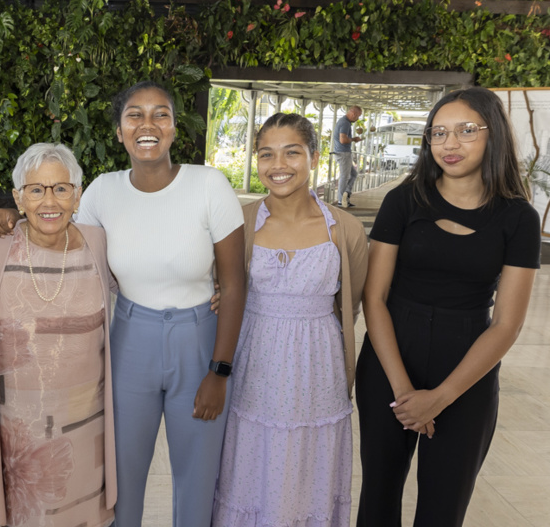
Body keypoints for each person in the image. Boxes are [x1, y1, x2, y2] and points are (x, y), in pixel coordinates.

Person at [0, 81, 246, 527]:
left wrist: (219, 372)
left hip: (198, 339)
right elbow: (57, 229)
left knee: (197, 477)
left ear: (173, 127)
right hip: (129, 340)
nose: (148, 124)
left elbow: (235, 283)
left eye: (160, 114)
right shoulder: (103, 192)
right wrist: (12, 217)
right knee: (122, 479)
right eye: (134, 115)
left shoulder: (209, 185)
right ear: (120, 130)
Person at [355, 87, 540, 527]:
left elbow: (507, 325)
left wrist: (439, 398)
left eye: (465, 131)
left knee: (444, 507)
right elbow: (374, 298)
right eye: (438, 133)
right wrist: (404, 393)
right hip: (389, 358)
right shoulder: (403, 200)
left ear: (492, 133)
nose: (449, 144)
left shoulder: (518, 218)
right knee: (377, 499)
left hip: (466, 368)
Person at [212, 113, 368, 527]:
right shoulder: (240, 223)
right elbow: (224, 287)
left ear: (315, 156)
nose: (278, 165)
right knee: (251, 462)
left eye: (292, 152)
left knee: (307, 467)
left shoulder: (344, 229)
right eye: (267, 154)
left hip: (318, 370)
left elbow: (349, 302)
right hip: (255, 367)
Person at [0, 143, 116, 527]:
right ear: (17, 197)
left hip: (84, 424)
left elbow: (147, 279)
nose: (50, 200)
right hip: (15, 434)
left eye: (61, 188)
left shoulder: (98, 242)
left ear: (77, 196)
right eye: (36, 190)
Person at [332, 105, 362, 208]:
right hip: (343, 153)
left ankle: (346, 194)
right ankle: (341, 200)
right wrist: (354, 139)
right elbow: (343, 140)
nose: (357, 119)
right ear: (353, 114)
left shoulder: (345, 122)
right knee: (344, 177)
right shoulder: (345, 123)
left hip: (343, 152)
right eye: (357, 116)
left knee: (353, 174)